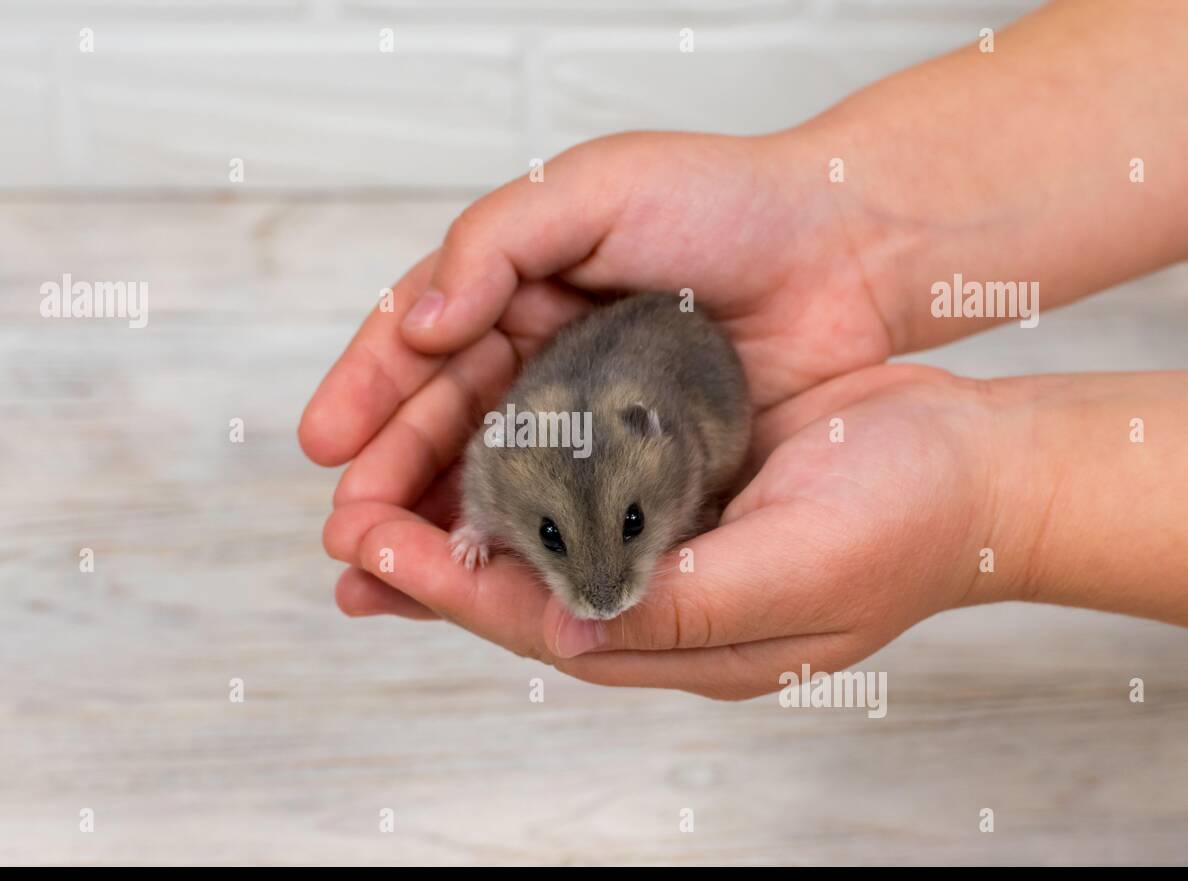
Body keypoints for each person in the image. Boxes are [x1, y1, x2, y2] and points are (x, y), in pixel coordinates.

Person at [298, 0, 1188, 699]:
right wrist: (482, 531)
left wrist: (992, 504)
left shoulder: (664, 443)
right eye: (555, 540)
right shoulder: (509, 461)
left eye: (634, 529)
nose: (602, 591)